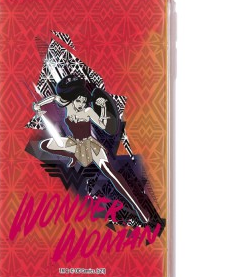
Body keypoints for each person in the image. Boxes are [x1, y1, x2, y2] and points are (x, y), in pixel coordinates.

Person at [32, 75, 150, 224]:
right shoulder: (67, 104)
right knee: (45, 145)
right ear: (72, 99)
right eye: (79, 101)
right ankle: (73, 156)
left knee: (111, 173)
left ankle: (140, 210)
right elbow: (53, 98)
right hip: (75, 143)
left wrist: (104, 108)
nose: (81, 104)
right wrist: (37, 106)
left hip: (90, 145)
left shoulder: (88, 111)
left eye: (83, 101)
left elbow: (104, 126)